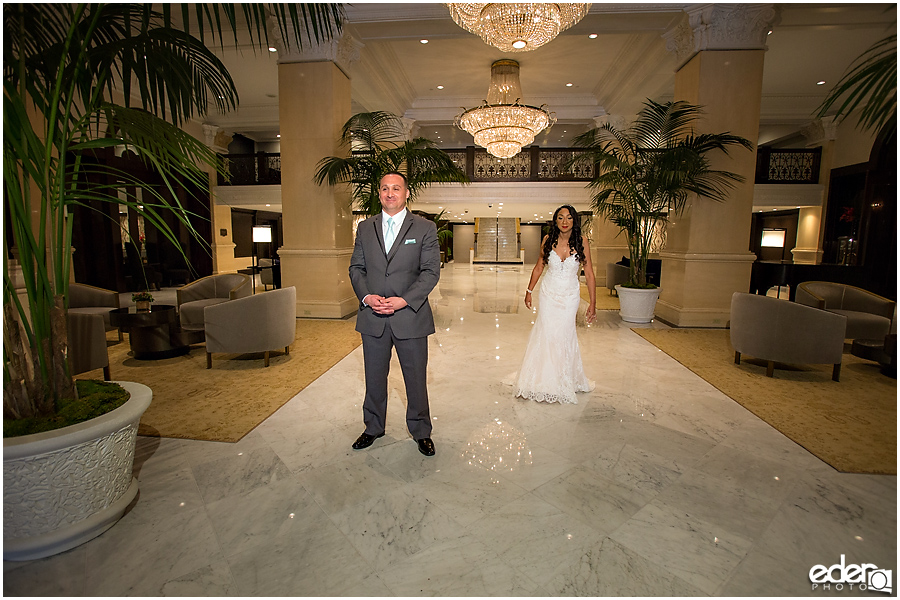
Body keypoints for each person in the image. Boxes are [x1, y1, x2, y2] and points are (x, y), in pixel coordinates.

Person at [348, 172, 441, 456]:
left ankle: (421, 431)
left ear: (406, 193)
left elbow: (430, 272)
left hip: (410, 317)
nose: (390, 193)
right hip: (373, 317)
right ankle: (373, 427)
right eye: (385, 188)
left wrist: (403, 301)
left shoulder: (424, 228)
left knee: (415, 378)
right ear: (379, 193)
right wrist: (366, 296)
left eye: (396, 188)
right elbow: (356, 268)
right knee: (374, 377)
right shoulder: (365, 228)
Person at [514, 205, 596, 404]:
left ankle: (563, 377)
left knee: (565, 334)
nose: (565, 221)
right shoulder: (547, 240)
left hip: (570, 296)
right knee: (547, 332)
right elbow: (539, 267)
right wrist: (529, 291)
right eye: (560, 217)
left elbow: (590, 272)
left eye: (568, 217)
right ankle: (543, 378)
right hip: (549, 293)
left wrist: (593, 303)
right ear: (556, 221)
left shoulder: (582, 241)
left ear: (574, 220)